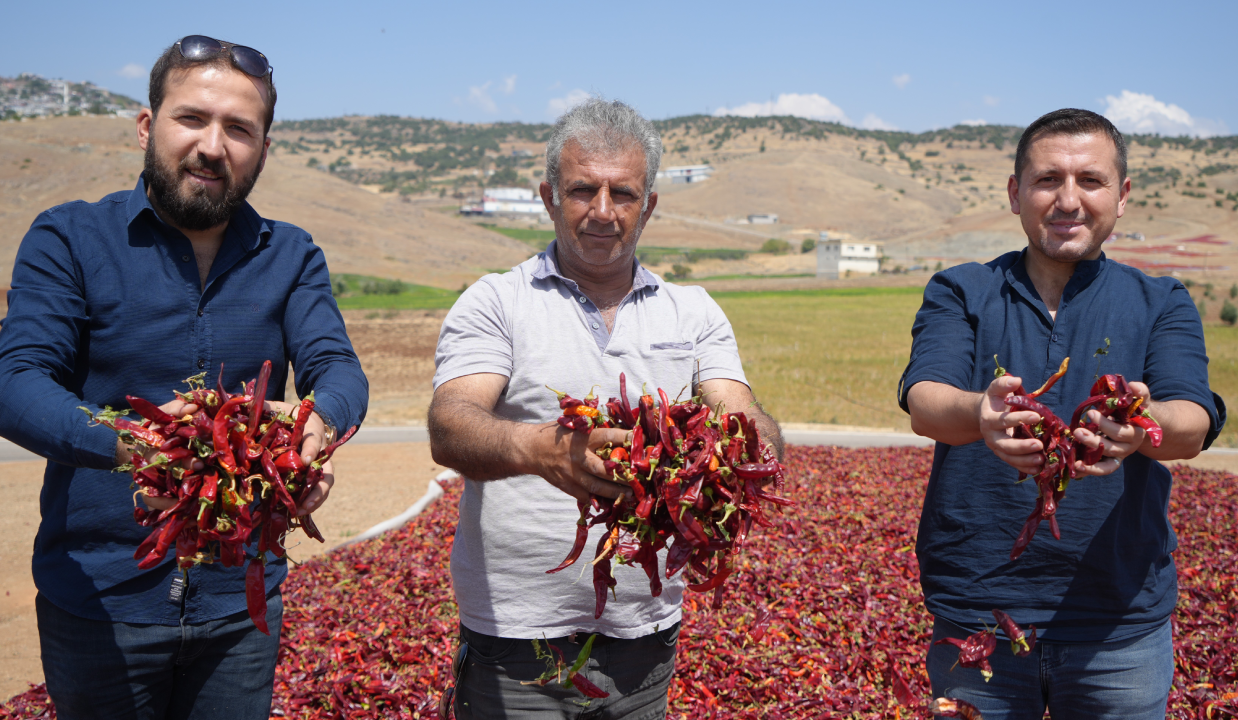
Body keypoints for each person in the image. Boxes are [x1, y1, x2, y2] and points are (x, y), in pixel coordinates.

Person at [0, 36, 367, 718]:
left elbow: (336, 367)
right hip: (102, 603)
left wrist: (319, 425)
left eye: (239, 130)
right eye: (192, 118)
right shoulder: (70, 239)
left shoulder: (291, 255)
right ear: (148, 126)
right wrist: (137, 447)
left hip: (241, 607)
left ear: (262, 149)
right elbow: (16, 381)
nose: (212, 146)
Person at [428, 97, 781, 719]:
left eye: (623, 194)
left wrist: (752, 456)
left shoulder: (692, 311)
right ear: (547, 197)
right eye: (582, 190)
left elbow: (739, 411)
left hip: (645, 640)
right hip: (517, 639)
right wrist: (539, 451)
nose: (602, 211)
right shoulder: (498, 301)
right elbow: (452, 424)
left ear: (649, 206)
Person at [898, 108, 1224, 719]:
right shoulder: (961, 290)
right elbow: (925, 402)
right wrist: (982, 414)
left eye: (1091, 182)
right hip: (977, 613)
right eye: (1048, 180)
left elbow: (1193, 420)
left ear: (1122, 197)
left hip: (1119, 625)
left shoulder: (1162, 302)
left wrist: (1142, 422)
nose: (1068, 200)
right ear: (1016, 193)